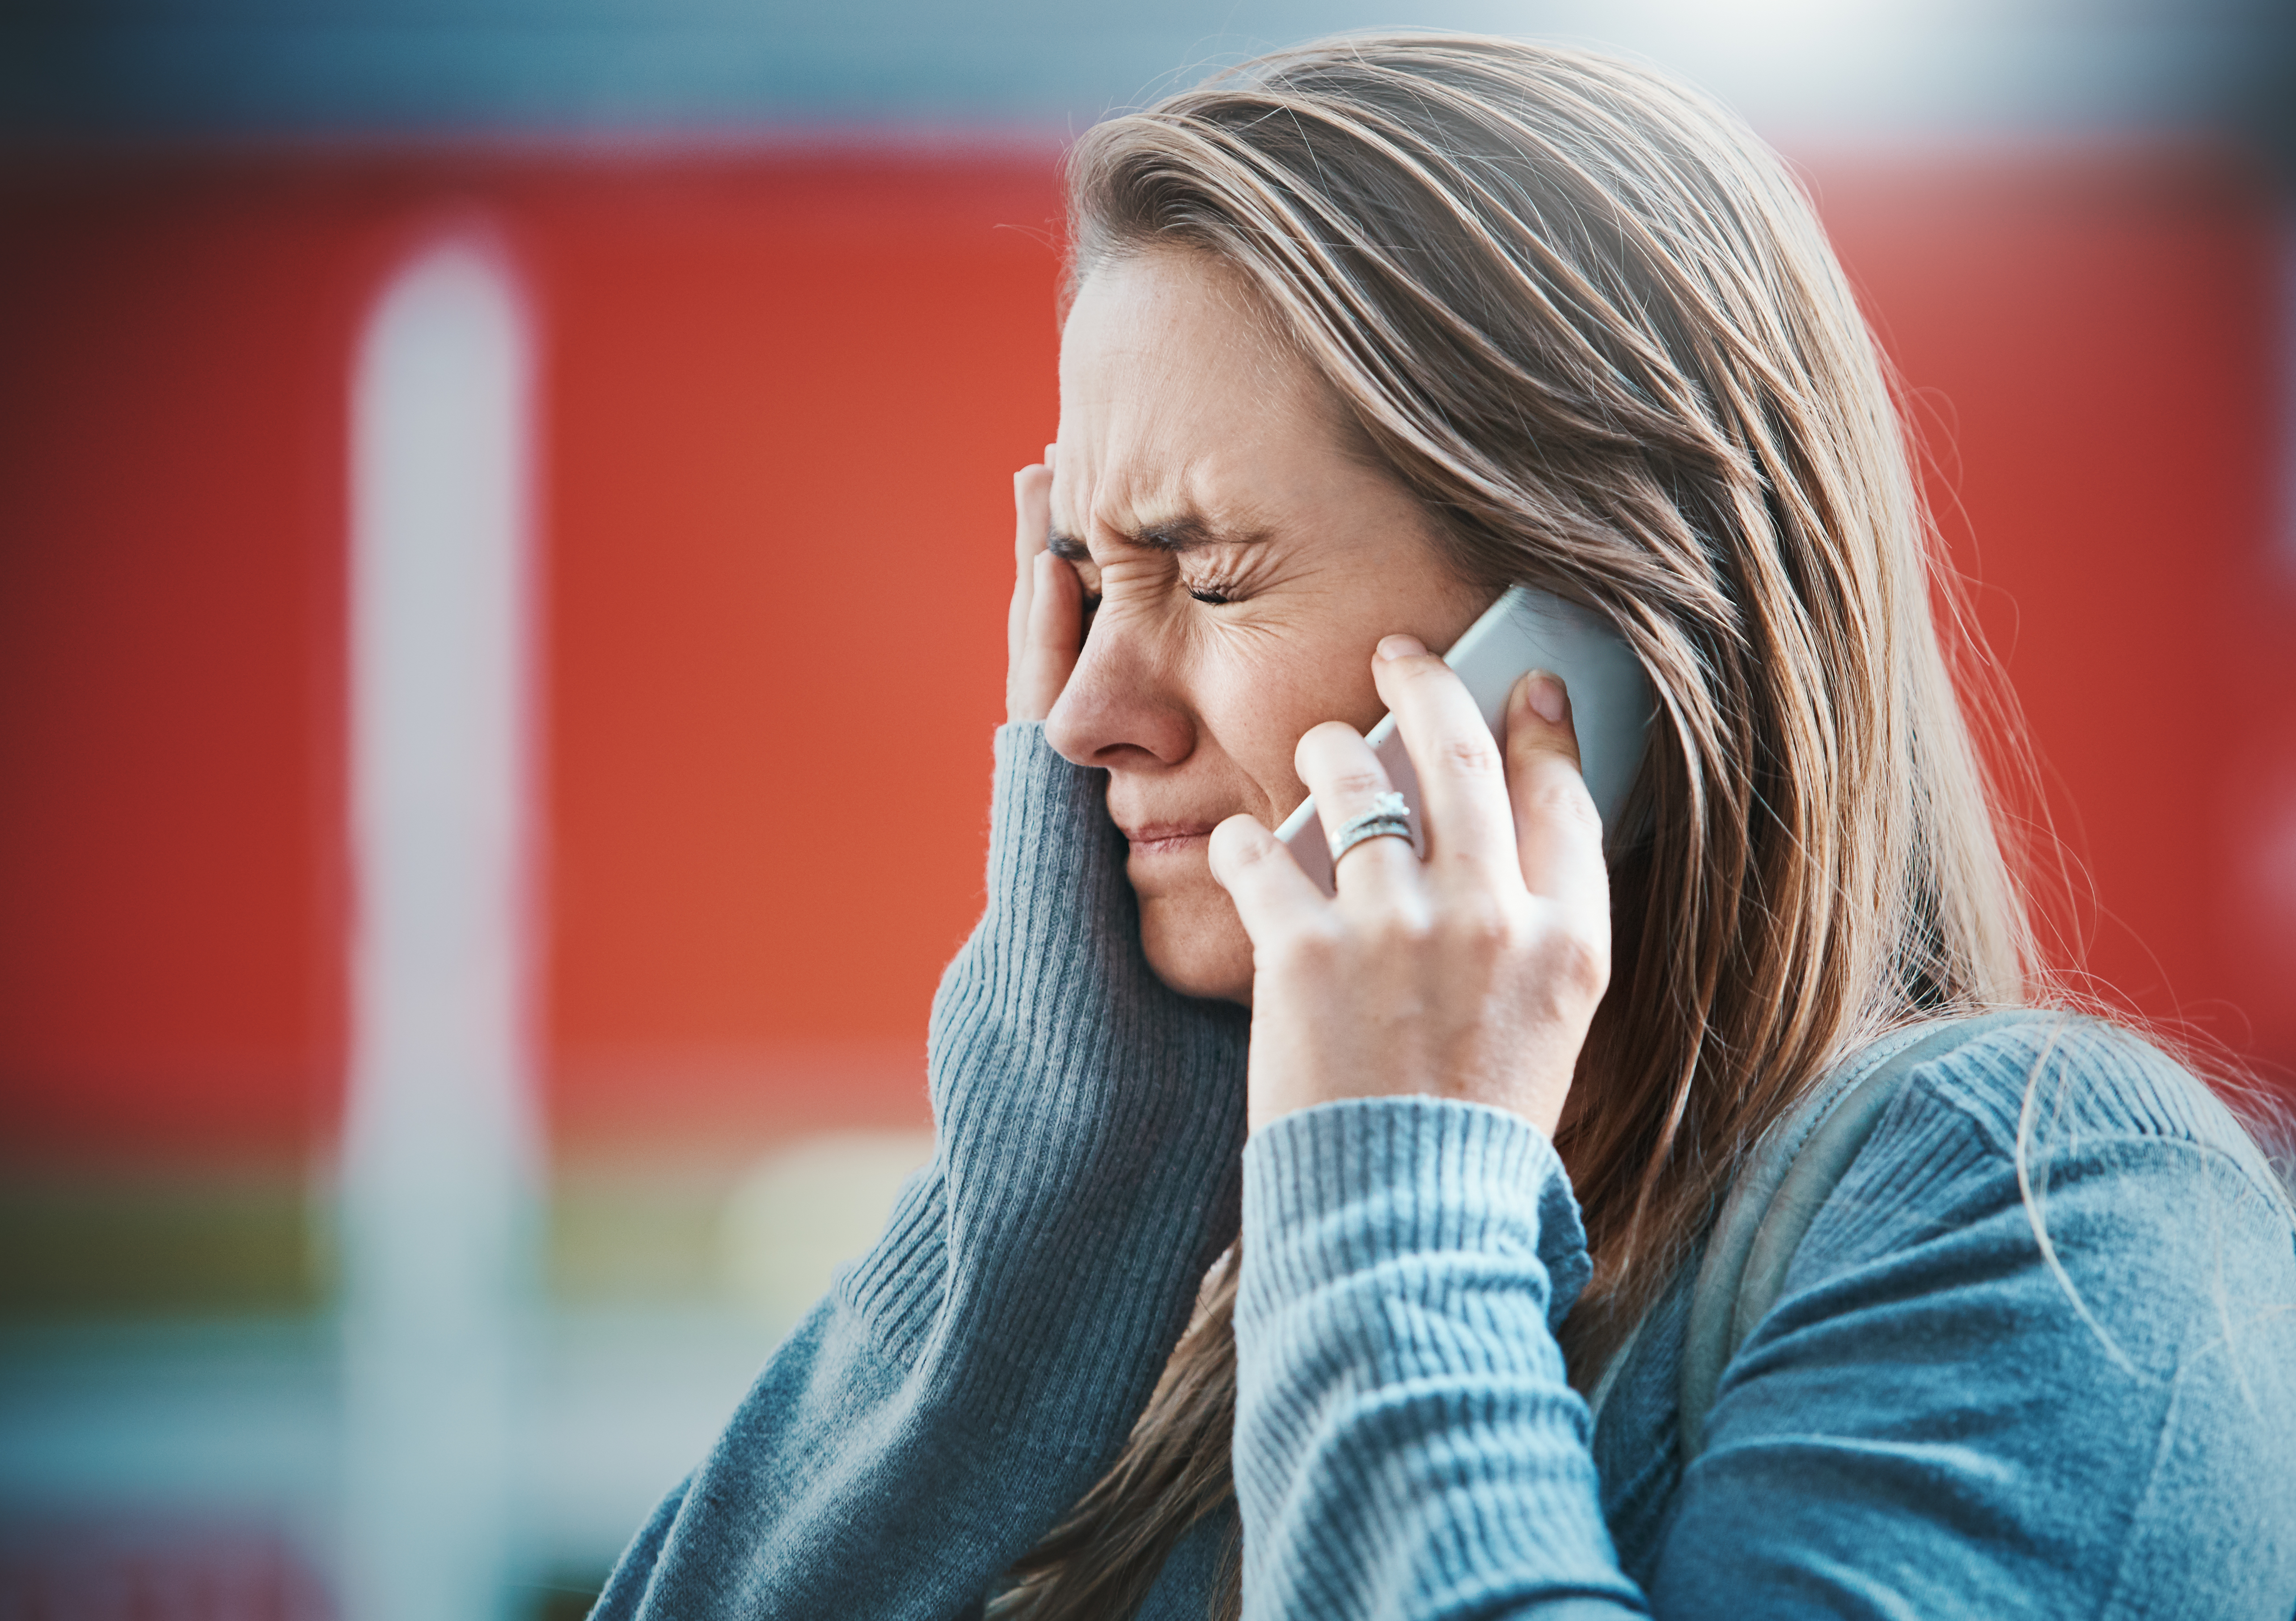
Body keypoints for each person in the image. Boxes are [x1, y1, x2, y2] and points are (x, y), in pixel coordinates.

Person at [592, 33, 2296, 1621]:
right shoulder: (1201, 1351)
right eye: (1083, 579)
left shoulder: (2046, 1217)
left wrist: (1397, 1207)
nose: (1083, 716)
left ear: (1595, 643)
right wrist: (1031, 1236)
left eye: (1206, 570)